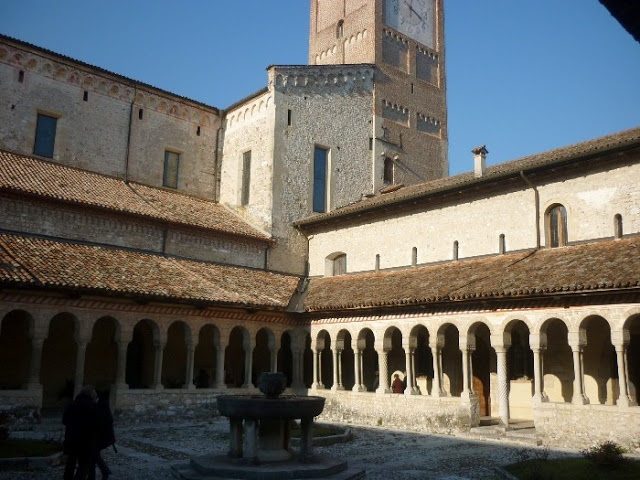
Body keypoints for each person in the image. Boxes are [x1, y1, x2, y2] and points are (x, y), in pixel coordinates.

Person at [63, 385, 100, 480]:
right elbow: (97, 424)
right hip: (86, 440)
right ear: (91, 395)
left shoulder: (72, 405)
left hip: (71, 438)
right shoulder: (93, 406)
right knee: (84, 464)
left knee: (70, 463)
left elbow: (64, 420)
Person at [88, 393, 115, 480]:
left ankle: (104, 471)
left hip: (99, 435)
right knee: (93, 455)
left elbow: (104, 421)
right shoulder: (100, 405)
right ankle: (94, 475)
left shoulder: (101, 406)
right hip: (98, 435)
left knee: (93, 454)